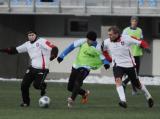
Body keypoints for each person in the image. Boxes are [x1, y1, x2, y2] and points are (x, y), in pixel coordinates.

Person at [0, 31, 58, 107]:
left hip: (42, 69)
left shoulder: (42, 41)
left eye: (32, 35)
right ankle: (26, 102)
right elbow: (14, 50)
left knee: (36, 86)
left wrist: (53, 55)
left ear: (36, 35)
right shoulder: (27, 44)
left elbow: (54, 48)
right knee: (24, 85)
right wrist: (1, 50)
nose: (31, 36)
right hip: (32, 68)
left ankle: (42, 85)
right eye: (29, 35)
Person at [102, 26, 154, 108]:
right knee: (118, 80)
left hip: (129, 65)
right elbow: (104, 51)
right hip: (117, 65)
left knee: (137, 84)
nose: (109, 36)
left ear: (116, 34)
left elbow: (140, 41)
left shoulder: (126, 38)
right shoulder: (106, 42)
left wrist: (146, 47)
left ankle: (148, 96)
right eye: (109, 35)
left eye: (111, 35)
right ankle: (123, 101)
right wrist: (108, 60)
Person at [57, 31, 110, 108]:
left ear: (94, 40)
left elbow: (103, 57)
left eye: (90, 40)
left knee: (78, 82)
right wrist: (62, 56)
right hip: (76, 66)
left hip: (86, 68)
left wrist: (106, 64)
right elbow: (71, 47)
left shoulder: (98, 48)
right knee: (70, 87)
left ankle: (71, 99)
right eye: (87, 39)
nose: (88, 41)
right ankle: (84, 93)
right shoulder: (82, 41)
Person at [122, 16, 143, 95]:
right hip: (129, 55)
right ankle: (125, 83)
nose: (134, 22)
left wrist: (144, 46)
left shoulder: (140, 30)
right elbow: (122, 42)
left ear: (137, 22)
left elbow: (141, 41)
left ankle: (133, 90)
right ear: (130, 21)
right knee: (133, 73)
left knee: (136, 74)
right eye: (133, 21)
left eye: (136, 21)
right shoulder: (126, 31)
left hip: (137, 54)